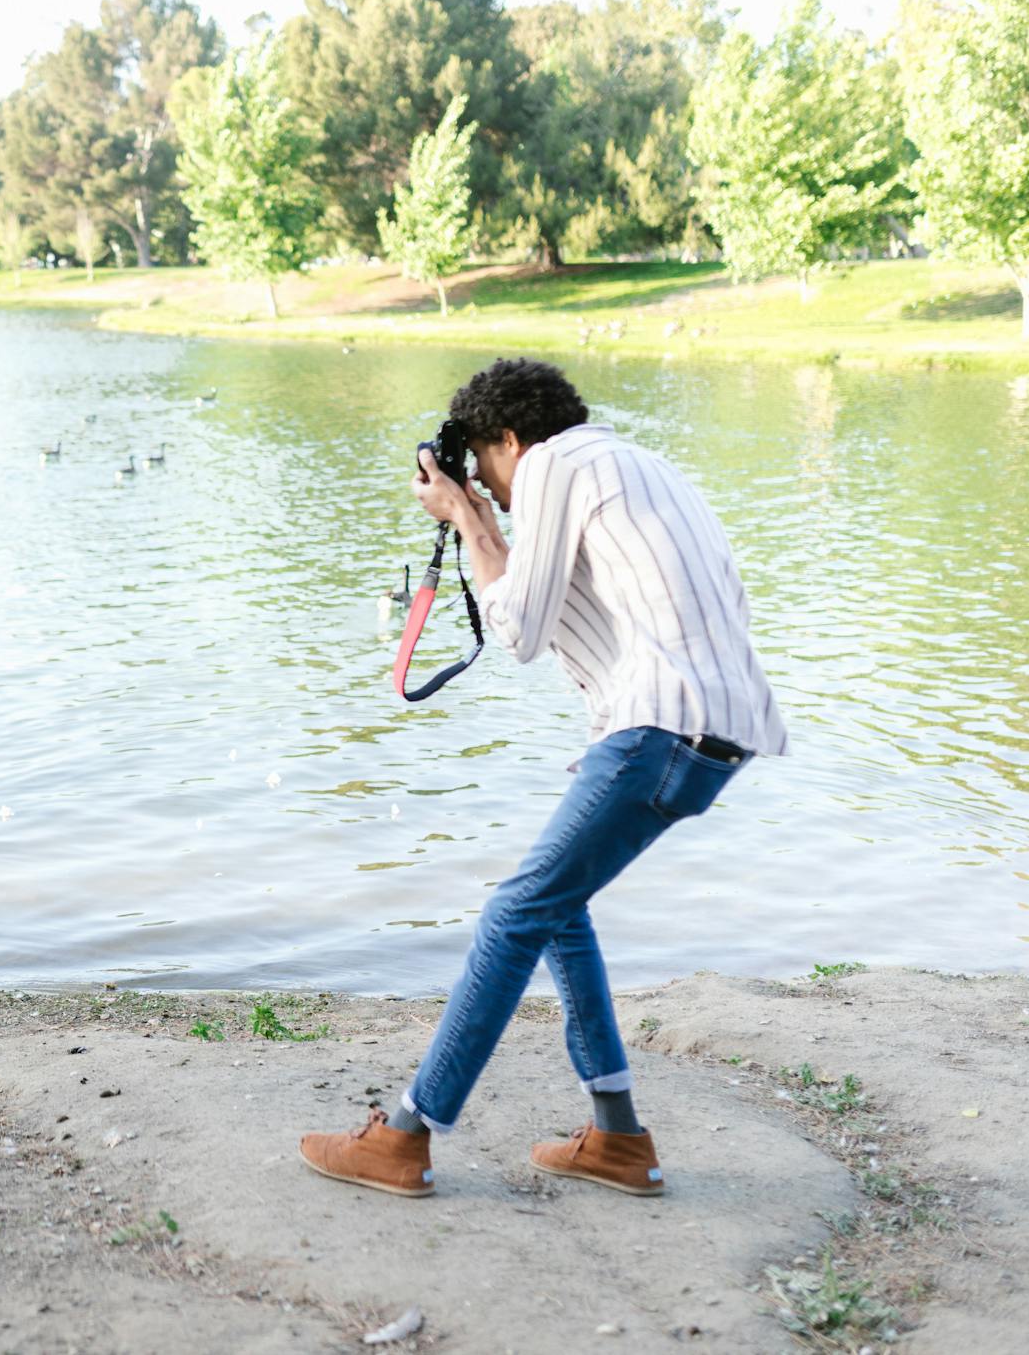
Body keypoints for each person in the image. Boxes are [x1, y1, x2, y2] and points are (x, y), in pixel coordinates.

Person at [299, 357, 787, 1199]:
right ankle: (617, 1138)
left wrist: (469, 520)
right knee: (557, 910)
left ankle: (405, 1136)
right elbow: (592, 614)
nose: (495, 488)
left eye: (485, 467)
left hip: (663, 727)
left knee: (514, 912)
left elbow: (518, 630)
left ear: (510, 440)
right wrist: (482, 524)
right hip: (709, 731)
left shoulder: (558, 463)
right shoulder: (638, 465)